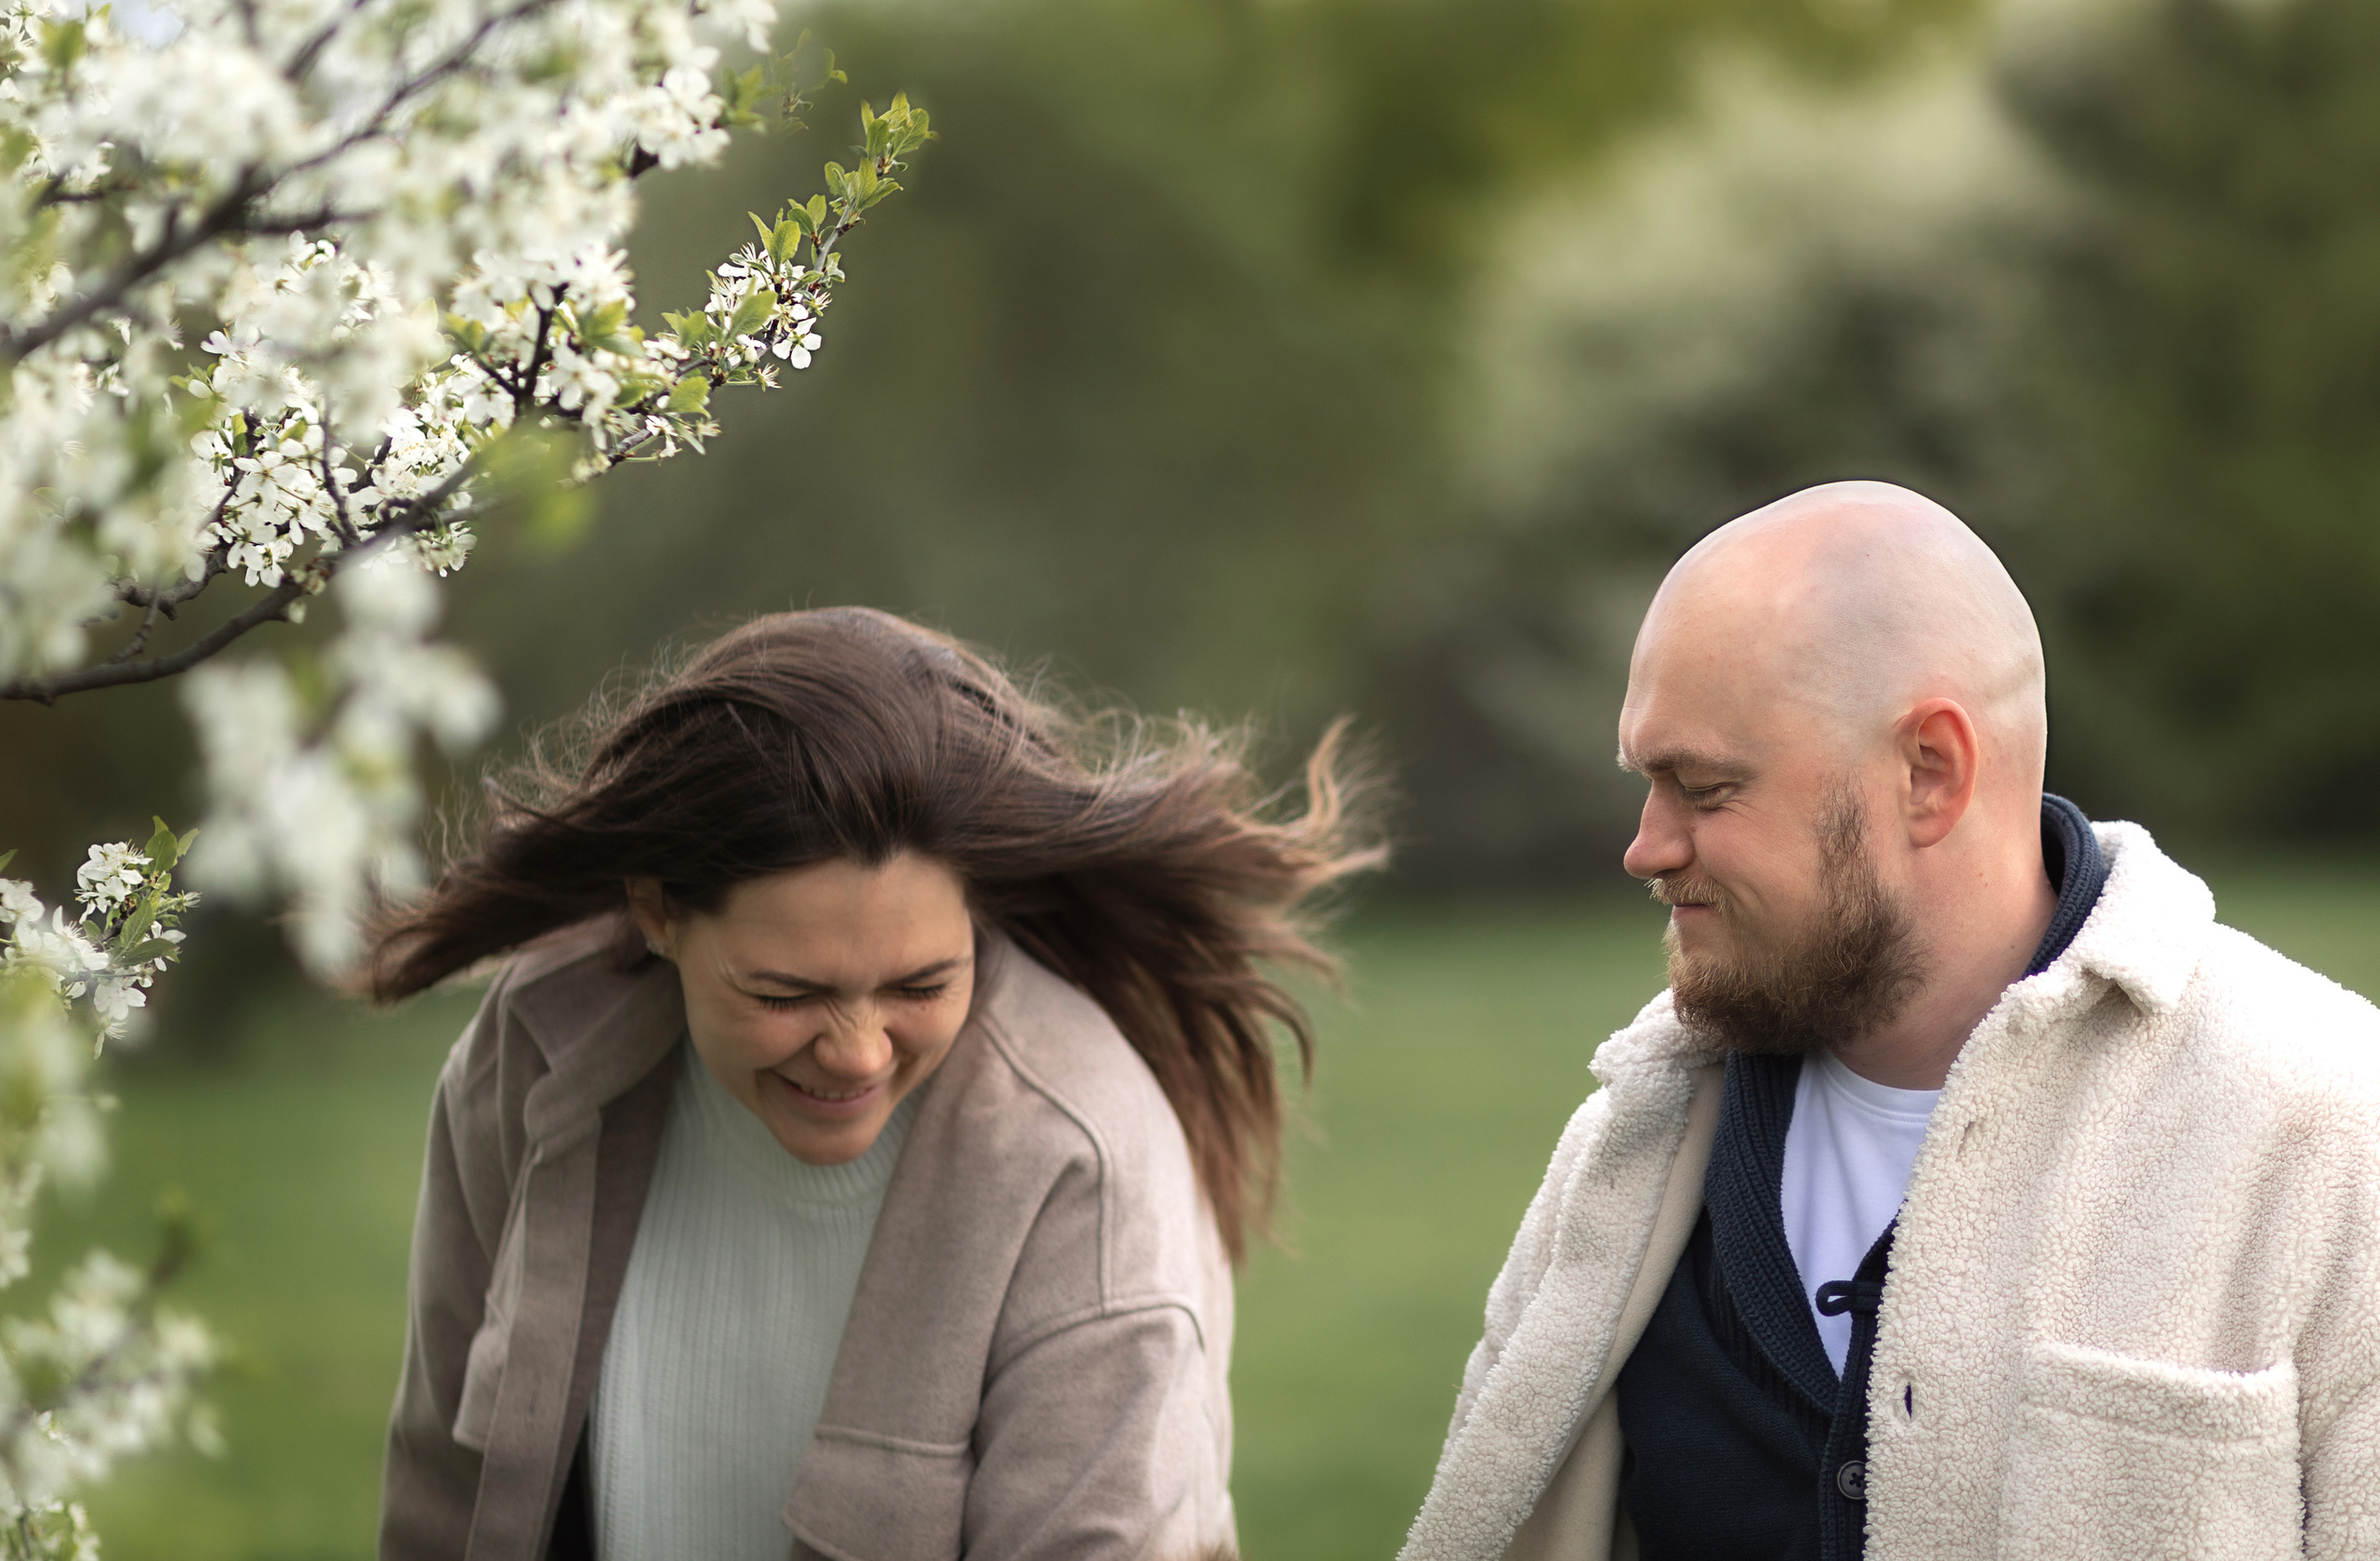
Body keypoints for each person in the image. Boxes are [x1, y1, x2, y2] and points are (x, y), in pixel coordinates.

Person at [1398, 482, 2380, 1561]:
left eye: (1705, 788)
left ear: (1929, 773)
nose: (1647, 845)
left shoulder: (2326, 1126)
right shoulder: (1628, 1150)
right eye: (1647, 783)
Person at [371, 607, 1377, 1561]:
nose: (856, 1051)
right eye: (785, 990)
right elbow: (435, 1492)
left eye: (919, 983)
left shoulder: (1081, 1159)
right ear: (658, 910)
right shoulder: (539, 1049)